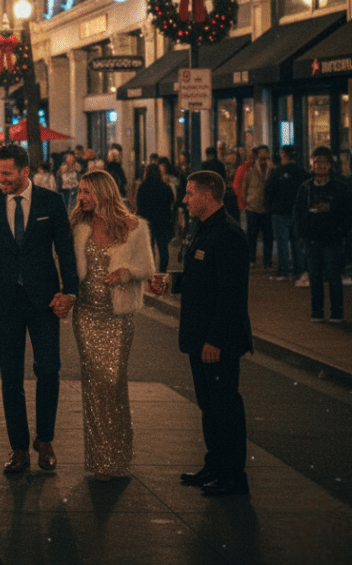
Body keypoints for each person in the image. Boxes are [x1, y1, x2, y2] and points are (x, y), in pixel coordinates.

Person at [0, 144, 78, 474]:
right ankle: (18, 448)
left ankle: (44, 440)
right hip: (5, 301)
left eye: (6, 173)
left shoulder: (51, 201)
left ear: (24, 172)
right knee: (10, 378)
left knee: (48, 369)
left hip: (44, 299)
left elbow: (66, 249)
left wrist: (70, 291)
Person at [148, 170, 252, 496]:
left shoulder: (229, 234)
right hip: (199, 336)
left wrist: (216, 339)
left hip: (216, 340)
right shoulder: (202, 229)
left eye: (191, 194)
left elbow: (231, 295)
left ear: (208, 196)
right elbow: (200, 278)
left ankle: (233, 475)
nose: (185, 199)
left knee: (225, 406)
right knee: (209, 405)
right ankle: (215, 464)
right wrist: (170, 282)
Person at [69, 170, 154, 481]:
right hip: (87, 314)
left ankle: (118, 455)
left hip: (117, 318)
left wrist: (125, 273)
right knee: (94, 384)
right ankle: (100, 459)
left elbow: (147, 266)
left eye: (87, 192)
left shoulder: (134, 227)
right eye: (80, 192)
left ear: (104, 193)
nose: (81, 198)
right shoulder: (79, 226)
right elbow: (64, 263)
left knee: (113, 381)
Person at [294, 147, 352, 323]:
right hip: (311, 240)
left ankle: (336, 312)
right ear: (312, 165)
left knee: (334, 276)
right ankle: (317, 311)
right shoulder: (306, 188)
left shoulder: (340, 188)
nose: (321, 166)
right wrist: (301, 234)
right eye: (317, 162)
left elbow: (350, 213)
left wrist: (339, 231)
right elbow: (298, 212)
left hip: (332, 240)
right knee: (314, 277)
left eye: (324, 163)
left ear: (330, 166)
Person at [265, 145, 308, 282]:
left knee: (282, 242)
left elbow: (268, 190)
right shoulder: (302, 173)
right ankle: (299, 269)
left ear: (284, 155)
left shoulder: (277, 172)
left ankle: (284, 270)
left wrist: (270, 206)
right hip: (297, 211)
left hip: (279, 211)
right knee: (297, 241)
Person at [136, 164, 176, 273]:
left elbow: (139, 205)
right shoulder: (165, 187)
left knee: (150, 248)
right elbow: (171, 202)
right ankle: (162, 272)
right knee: (163, 248)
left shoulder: (143, 187)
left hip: (148, 221)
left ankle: (152, 272)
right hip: (162, 221)